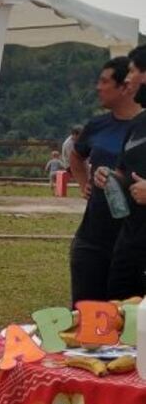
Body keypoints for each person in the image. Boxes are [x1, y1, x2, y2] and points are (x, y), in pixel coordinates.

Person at [69, 56, 136, 304]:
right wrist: (83, 182)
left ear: (125, 86)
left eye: (104, 81)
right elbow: (76, 156)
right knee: (86, 317)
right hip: (93, 238)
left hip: (133, 240)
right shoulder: (96, 125)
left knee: (128, 321)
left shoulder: (143, 127)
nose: (98, 87)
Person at [93, 45, 146, 297]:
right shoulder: (138, 125)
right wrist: (109, 176)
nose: (127, 78)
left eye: (133, 71)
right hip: (131, 243)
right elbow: (125, 172)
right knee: (123, 321)